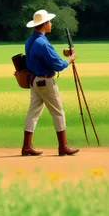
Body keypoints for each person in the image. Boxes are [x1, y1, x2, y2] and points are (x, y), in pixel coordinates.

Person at [21, 9, 80, 156]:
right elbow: (57, 65)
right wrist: (69, 60)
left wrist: (63, 56)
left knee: (32, 113)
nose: (51, 24)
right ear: (44, 24)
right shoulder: (43, 43)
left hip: (33, 80)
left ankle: (26, 146)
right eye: (49, 21)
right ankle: (63, 146)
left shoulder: (31, 40)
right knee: (58, 112)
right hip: (45, 81)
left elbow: (46, 58)